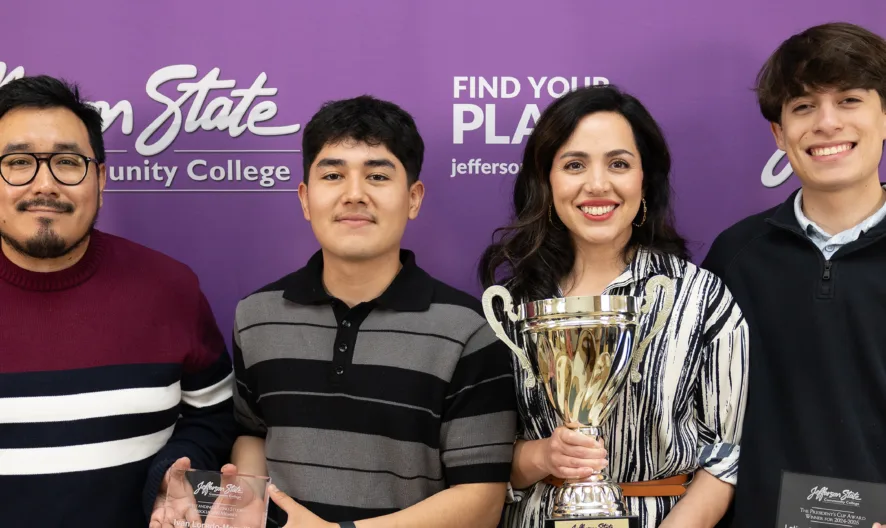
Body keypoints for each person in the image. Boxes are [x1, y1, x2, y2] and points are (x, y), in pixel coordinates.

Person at [228, 95, 518, 528]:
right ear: (306, 199)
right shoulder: (257, 316)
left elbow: (481, 501)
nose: (354, 194)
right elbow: (253, 432)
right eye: (332, 175)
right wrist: (245, 501)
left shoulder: (468, 330)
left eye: (378, 175)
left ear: (414, 198)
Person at [478, 84, 749, 528]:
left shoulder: (702, 298)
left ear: (646, 180)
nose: (598, 184)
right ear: (546, 181)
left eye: (619, 164)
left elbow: (727, 453)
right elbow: (480, 457)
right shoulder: (515, 306)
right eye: (574, 165)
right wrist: (544, 455)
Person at [0, 74, 238, 527]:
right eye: (18, 162)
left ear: (101, 179)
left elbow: (215, 415)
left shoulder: (171, 287)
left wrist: (175, 470)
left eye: (67, 162)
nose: (44, 184)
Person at [702, 22, 886, 528]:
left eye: (849, 100)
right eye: (804, 106)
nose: (826, 123)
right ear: (779, 134)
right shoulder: (736, 255)